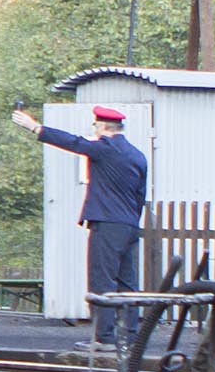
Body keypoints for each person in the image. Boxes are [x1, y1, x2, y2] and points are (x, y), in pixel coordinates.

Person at [14, 103, 149, 344]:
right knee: (128, 283)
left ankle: (104, 338)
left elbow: (72, 142)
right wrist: (131, 220)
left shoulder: (105, 149)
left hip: (107, 224)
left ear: (103, 126)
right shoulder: (137, 155)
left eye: (95, 125)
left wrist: (35, 127)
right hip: (129, 225)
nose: (94, 129)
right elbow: (140, 195)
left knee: (102, 281)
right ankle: (131, 337)